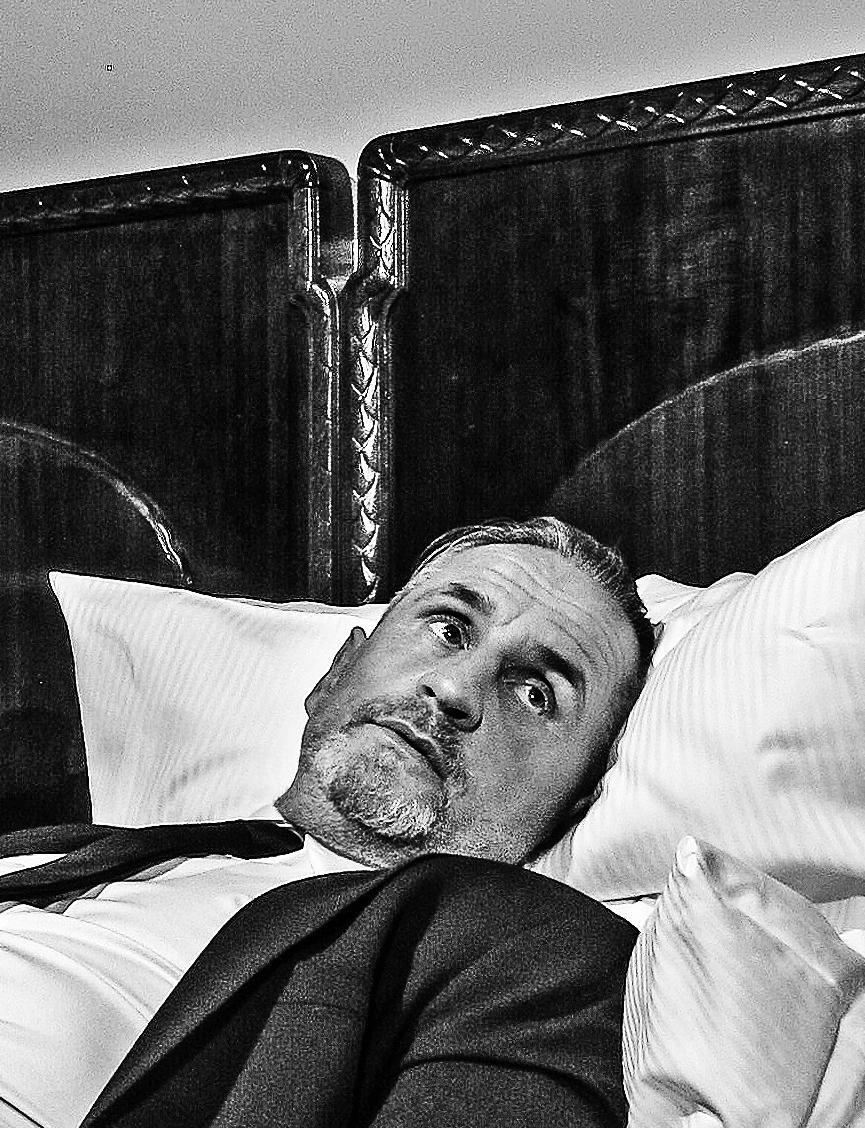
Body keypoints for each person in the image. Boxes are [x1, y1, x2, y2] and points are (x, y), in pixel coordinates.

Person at [0, 517, 654, 1128]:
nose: (454, 689)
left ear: (577, 799)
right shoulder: (72, 854)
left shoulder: (549, 958)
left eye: (535, 692)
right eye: (449, 629)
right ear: (336, 673)